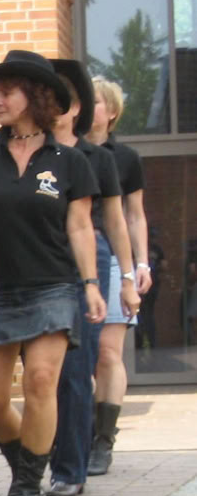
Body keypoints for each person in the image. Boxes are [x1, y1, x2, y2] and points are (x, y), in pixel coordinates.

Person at [0, 50, 105, 496]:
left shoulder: (70, 162)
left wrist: (90, 283)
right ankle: (26, 462)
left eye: (6, 91)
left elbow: (81, 228)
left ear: (34, 96)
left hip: (53, 285)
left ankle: (28, 488)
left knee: (41, 382)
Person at [47, 59, 138, 496]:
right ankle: (50, 449)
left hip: (92, 254)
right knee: (46, 369)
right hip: (39, 257)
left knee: (79, 365)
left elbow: (118, 222)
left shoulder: (97, 158)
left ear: (77, 106)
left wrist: (126, 275)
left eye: (61, 96)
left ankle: (73, 464)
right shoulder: (25, 153)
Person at [87, 75, 150, 474]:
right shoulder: (64, 152)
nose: (87, 107)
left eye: (95, 101)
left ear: (111, 111)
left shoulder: (125, 158)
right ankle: (83, 430)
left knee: (108, 352)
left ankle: (104, 440)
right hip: (71, 261)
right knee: (82, 357)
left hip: (113, 259)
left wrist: (139, 265)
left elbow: (133, 215)